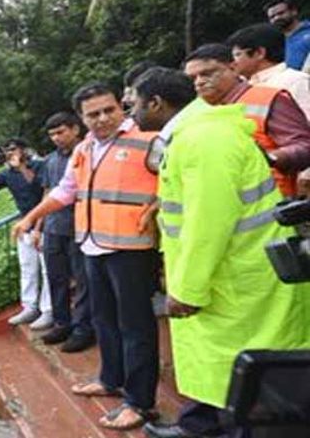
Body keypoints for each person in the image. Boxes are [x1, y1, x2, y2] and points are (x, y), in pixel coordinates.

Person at [129, 67, 310, 438]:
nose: (130, 113)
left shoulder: (203, 140)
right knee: (223, 370)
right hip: (229, 275)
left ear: (156, 103)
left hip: (238, 278)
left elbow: (207, 224)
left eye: (132, 104)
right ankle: (200, 427)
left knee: (247, 387)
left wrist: (188, 288)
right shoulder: (195, 134)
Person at [12, 82, 160, 431]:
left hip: (131, 248)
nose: (104, 118)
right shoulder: (85, 148)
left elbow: (177, 179)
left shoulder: (148, 138)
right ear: (82, 118)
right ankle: (111, 379)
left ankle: (140, 403)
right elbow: (67, 190)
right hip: (92, 245)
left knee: (136, 326)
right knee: (103, 318)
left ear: (120, 107)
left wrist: (160, 202)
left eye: (110, 109)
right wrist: (32, 216)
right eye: (93, 114)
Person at [183, 43, 310, 197]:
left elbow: (304, 146)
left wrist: (271, 157)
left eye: (207, 74)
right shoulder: (198, 112)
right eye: (193, 78)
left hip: (269, 206)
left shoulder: (267, 98)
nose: (199, 82)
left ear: (233, 68)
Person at [34, 112, 95, 353]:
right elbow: (48, 193)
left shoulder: (89, 152)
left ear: (75, 129)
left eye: (61, 132)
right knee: (56, 278)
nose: (56, 138)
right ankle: (62, 323)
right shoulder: (50, 161)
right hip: (53, 228)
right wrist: (38, 225)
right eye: (52, 134)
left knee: (83, 281)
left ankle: (83, 329)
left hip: (80, 227)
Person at [0, 138, 52, 329]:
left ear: (24, 150)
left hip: (45, 226)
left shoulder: (39, 166)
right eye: (6, 150)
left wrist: (20, 167)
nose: (9, 153)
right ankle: (29, 307)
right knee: (28, 269)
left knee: (48, 270)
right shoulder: (7, 174)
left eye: (13, 149)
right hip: (24, 227)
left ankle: (48, 310)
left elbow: (41, 189)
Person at [227, 23, 310, 119]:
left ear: (259, 53)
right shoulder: (246, 86)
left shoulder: (294, 81)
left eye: (237, 55)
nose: (232, 62)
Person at [265, 0, 310, 73]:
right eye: (272, 17)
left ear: (294, 11)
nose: (277, 18)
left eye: (281, 13)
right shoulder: (274, 42)